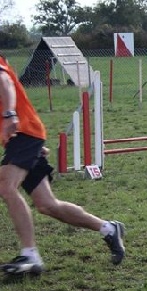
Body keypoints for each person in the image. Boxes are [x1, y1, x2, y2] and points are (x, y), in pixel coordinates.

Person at [0, 53, 125, 275]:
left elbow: (5, 82)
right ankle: (108, 228)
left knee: (6, 187)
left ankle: (29, 255)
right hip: (22, 139)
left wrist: (10, 114)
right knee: (47, 205)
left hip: (23, 132)